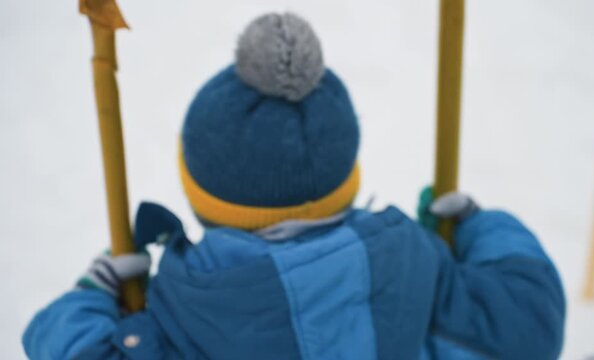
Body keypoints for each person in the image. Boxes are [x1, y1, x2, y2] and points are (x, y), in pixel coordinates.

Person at [23, 13, 565, 360]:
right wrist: (475, 227)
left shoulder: (182, 318)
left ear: (202, 196)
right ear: (345, 180)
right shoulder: (416, 271)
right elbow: (528, 320)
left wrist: (94, 298)